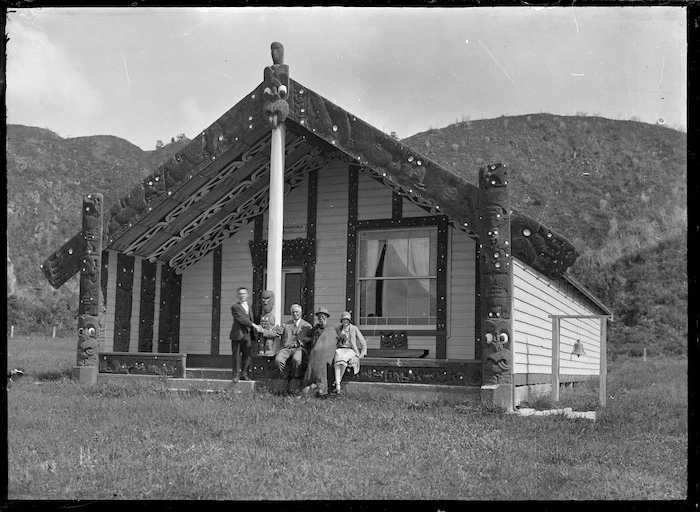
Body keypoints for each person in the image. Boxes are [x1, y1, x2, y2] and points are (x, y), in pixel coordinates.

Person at [274, 304, 313, 392]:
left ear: (301, 313)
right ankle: (286, 376)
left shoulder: (307, 325)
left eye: (297, 312)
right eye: (293, 312)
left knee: (296, 359)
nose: (295, 314)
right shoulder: (286, 324)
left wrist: (304, 340)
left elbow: (312, 338)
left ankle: (296, 377)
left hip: (300, 348)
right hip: (287, 348)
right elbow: (277, 333)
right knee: (278, 360)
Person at [302, 306, 338, 397]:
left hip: (326, 354)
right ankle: (312, 386)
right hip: (315, 352)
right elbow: (311, 340)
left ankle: (323, 388)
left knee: (323, 366)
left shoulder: (330, 329)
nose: (321, 319)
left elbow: (332, 341)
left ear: (326, 317)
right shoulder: (315, 329)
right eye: (319, 317)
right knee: (312, 364)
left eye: (323, 317)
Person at [229, 287, 262, 382]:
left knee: (247, 355)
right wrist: (254, 325)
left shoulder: (250, 307)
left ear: (247, 295)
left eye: (244, 294)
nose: (242, 296)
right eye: (240, 294)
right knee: (236, 355)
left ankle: (244, 374)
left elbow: (254, 318)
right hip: (238, 334)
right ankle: (236, 375)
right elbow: (241, 319)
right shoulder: (235, 307)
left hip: (248, 334)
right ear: (237, 296)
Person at [333, 311, 367, 393]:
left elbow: (362, 340)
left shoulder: (354, 328)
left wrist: (363, 352)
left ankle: (337, 382)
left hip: (351, 350)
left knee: (342, 359)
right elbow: (334, 339)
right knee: (338, 358)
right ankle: (338, 384)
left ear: (349, 321)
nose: (345, 322)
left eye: (347, 320)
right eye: (344, 320)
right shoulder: (338, 329)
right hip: (340, 348)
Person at [256, 290, 283, 356]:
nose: (265, 302)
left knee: (269, 342)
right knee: (261, 343)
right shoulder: (261, 316)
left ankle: (269, 350)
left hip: (269, 332)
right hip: (262, 333)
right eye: (263, 299)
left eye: (267, 299)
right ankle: (261, 350)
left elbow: (272, 328)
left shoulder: (271, 317)